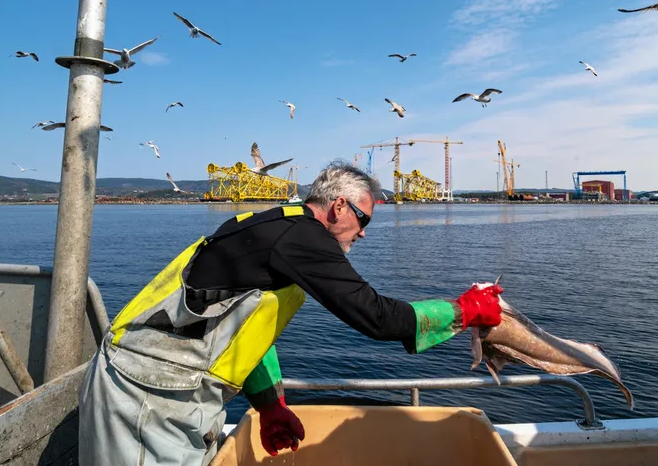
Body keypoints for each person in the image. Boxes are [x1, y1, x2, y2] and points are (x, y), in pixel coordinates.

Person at [78, 161, 504, 466]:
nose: (363, 234)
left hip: (167, 384)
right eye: (364, 221)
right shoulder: (302, 238)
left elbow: (241, 324)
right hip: (148, 393)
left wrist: (268, 405)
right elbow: (376, 317)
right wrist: (462, 311)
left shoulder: (273, 226)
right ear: (339, 207)